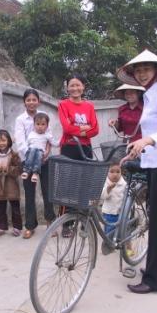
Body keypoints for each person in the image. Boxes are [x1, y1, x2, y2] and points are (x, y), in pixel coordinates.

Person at [117, 49, 157, 294]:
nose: (142, 74)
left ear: (156, 70)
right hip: (153, 162)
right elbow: (148, 132)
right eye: (138, 70)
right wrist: (136, 148)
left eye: (146, 69)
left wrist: (147, 141)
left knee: (156, 218)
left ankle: (154, 280)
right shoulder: (150, 96)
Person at [58, 73, 99, 237]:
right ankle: (66, 224)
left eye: (78, 85)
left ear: (83, 87)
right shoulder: (63, 104)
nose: (75, 88)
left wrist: (77, 129)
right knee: (68, 185)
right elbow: (66, 129)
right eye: (72, 85)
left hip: (86, 148)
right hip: (69, 147)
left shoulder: (89, 106)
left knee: (85, 185)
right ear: (67, 88)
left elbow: (96, 129)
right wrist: (85, 129)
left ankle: (84, 221)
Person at [14, 89, 56, 239]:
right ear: (24, 102)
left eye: (34, 99)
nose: (31, 102)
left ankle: (51, 222)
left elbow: (49, 137)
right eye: (28, 100)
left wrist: (46, 152)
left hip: (45, 160)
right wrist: (33, 156)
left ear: (39, 101)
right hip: (28, 161)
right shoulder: (20, 120)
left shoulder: (44, 116)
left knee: (48, 191)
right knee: (30, 193)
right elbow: (20, 142)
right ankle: (30, 226)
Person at [0, 129, 23, 238]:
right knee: (1, 208)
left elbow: (19, 169)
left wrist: (8, 169)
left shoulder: (14, 155)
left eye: (3, 140)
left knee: (15, 208)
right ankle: (1, 227)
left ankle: (17, 227)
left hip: (11, 185)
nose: (1, 143)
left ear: (8, 141)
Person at [21, 112, 59, 183]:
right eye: (38, 124)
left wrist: (62, 141)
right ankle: (26, 171)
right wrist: (26, 151)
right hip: (31, 151)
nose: (40, 126)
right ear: (34, 125)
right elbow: (26, 143)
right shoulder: (31, 134)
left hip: (40, 152)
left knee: (39, 153)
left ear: (47, 126)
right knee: (32, 150)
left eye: (43, 124)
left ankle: (35, 173)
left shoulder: (47, 135)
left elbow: (55, 143)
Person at [100, 163, 126, 234]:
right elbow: (102, 196)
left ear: (121, 172)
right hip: (109, 213)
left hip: (121, 213)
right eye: (112, 172)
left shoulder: (123, 184)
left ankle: (125, 243)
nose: (115, 174)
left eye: (118, 172)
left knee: (122, 231)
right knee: (109, 231)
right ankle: (108, 243)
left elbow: (126, 198)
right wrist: (108, 189)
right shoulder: (106, 183)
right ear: (107, 172)